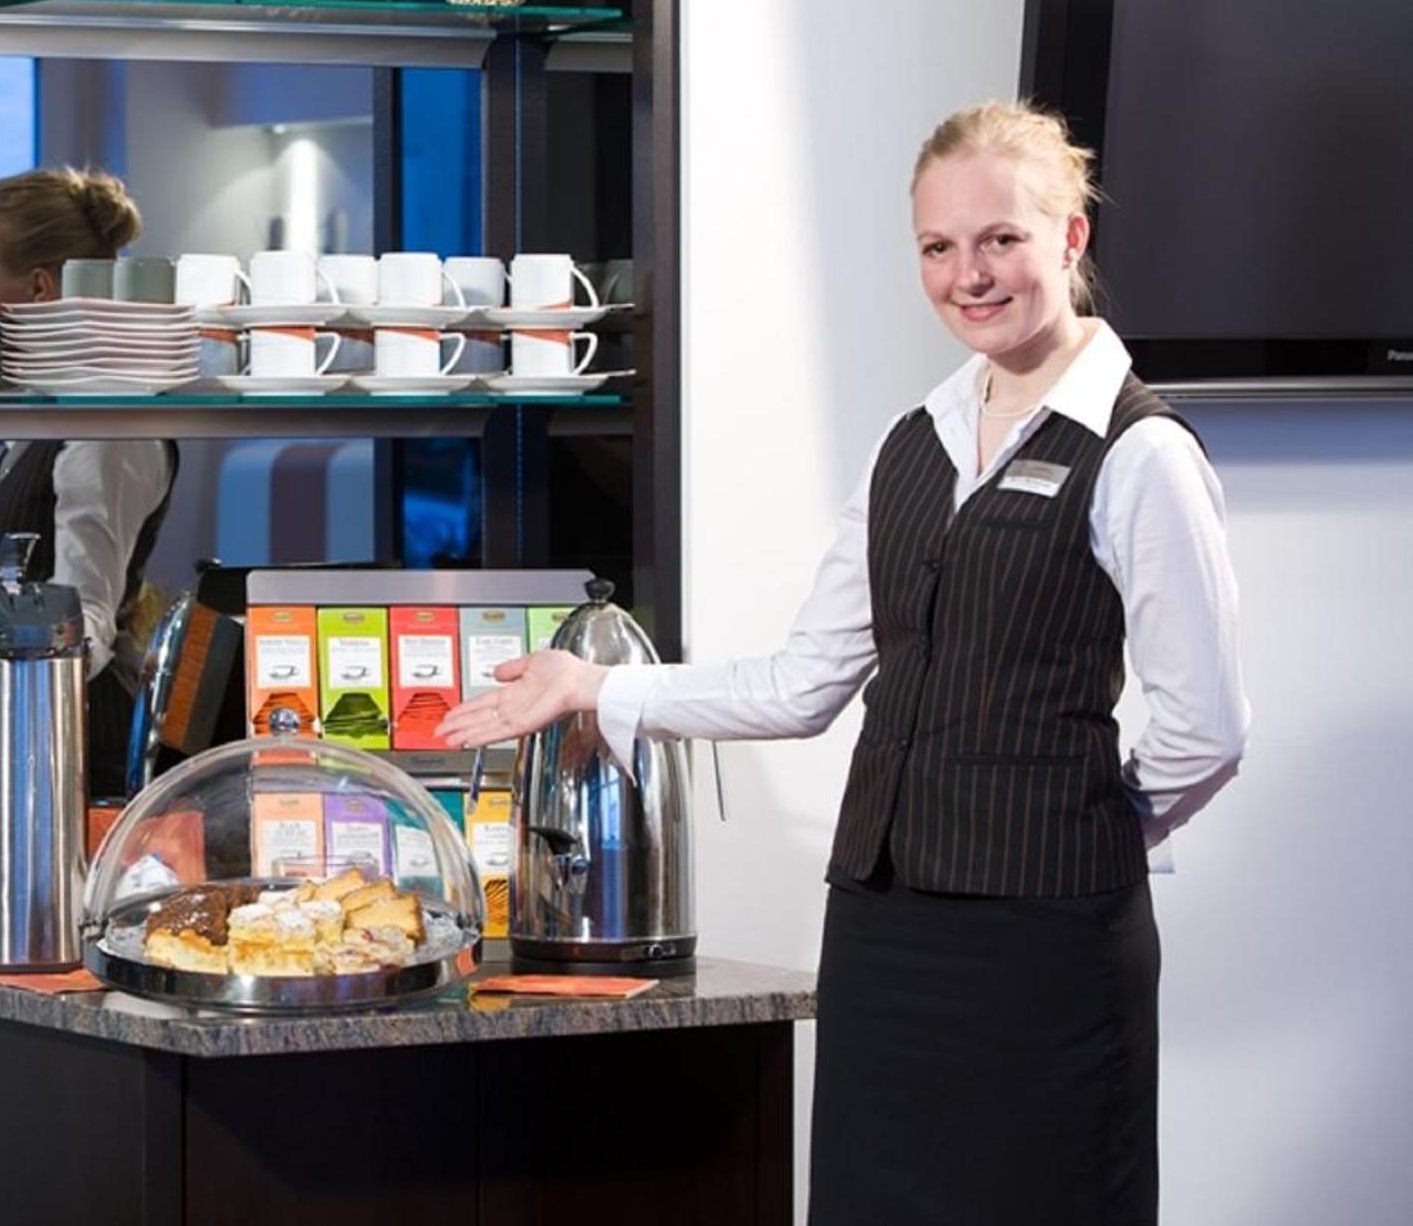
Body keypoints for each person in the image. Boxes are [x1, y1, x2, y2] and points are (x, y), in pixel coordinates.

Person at [438, 101, 1249, 1226]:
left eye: (1000, 239)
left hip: (1048, 947)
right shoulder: (910, 444)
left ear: (1069, 237)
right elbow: (805, 680)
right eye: (938, 247)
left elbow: (1207, 729)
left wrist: (1084, 833)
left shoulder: (1140, 452)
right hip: (885, 929)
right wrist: (596, 687)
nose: (968, 275)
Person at [0, 165, 178, 799]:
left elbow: (87, 621)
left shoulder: (106, 428)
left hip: (69, 744)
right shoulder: (37, 411)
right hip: (12, 728)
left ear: (39, 289)